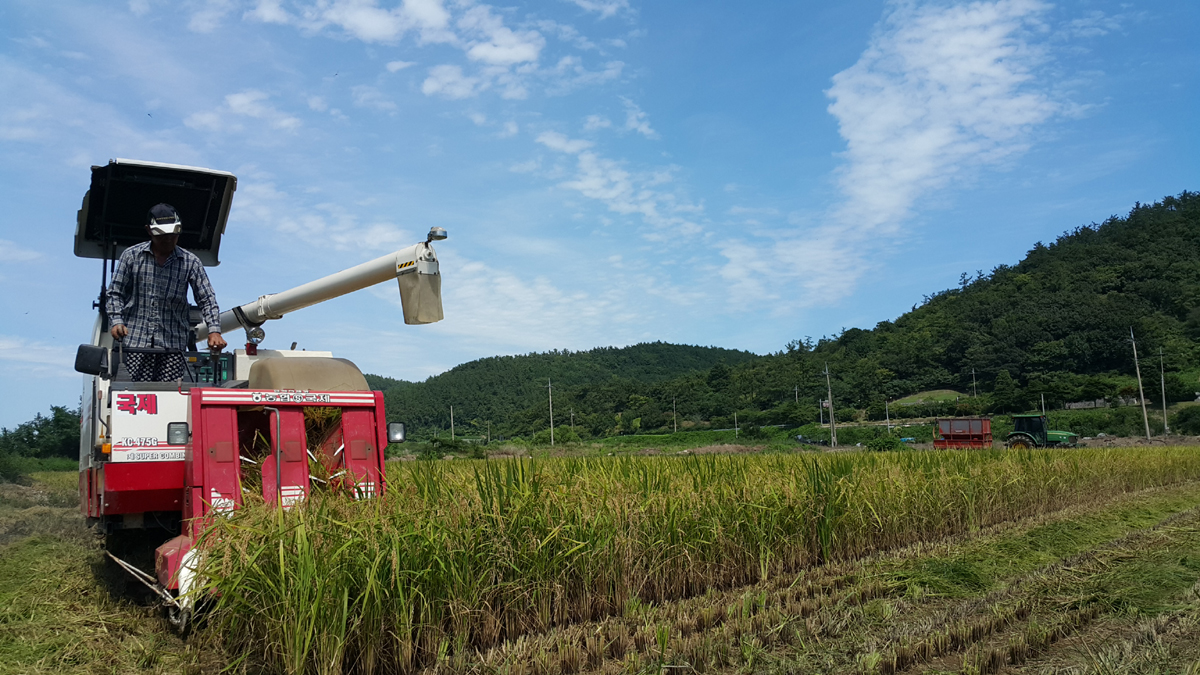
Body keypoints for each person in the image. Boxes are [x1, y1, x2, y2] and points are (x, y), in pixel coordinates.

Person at [105, 203, 227, 381]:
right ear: (149, 231)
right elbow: (115, 293)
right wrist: (117, 321)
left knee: (171, 397)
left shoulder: (190, 262)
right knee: (133, 395)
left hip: (173, 346)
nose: (168, 240)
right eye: (162, 236)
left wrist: (214, 330)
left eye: (173, 235)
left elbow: (207, 299)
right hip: (135, 344)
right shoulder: (131, 256)